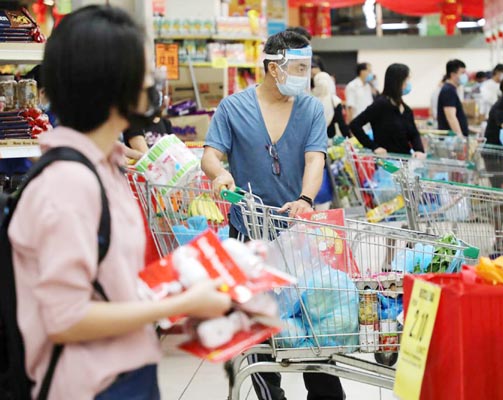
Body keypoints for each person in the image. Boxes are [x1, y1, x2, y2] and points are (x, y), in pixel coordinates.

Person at [10, 6, 231, 399]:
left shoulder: (105, 169)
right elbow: (66, 317)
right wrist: (176, 304)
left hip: (126, 370)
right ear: (111, 86)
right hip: (89, 384)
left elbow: (108, 286)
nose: (152, 84)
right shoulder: (68, 184)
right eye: (143, 72)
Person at [201, 31, 344, 400]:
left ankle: (326, 393)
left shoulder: (310, 108)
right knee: (260, 324)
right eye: (297, 67)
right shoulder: (233, 107)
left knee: (314, 319)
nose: (305, 75)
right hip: (248, 229)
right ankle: (270, 395)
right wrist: (221, 174)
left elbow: (316, 158)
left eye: (306, 67)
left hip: (296, 233)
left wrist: (305, 199)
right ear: (273, 66)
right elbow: (210, 155)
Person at [349, 63, 425, 158]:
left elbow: (414, 134)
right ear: (397, 82)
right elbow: (355, 124)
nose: (407, 85)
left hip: (405, 161)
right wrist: (374, 147)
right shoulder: (381, 104)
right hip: (387, 164)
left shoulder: (406, 109)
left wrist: (419, 150)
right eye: (405, 81)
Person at [311, 55, 351, 138]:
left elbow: (342, 126)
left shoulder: (334, 101)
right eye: (310, 67)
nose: (312, 70)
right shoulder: (310, 96)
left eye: (314, 67)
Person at [438, 59, 469, 137]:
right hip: (451, 139)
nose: (465, 76)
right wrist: (460, 137)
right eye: (462, 73)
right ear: (453, 74)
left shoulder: (452, 90)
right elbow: (451, 117)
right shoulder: (448, 90)